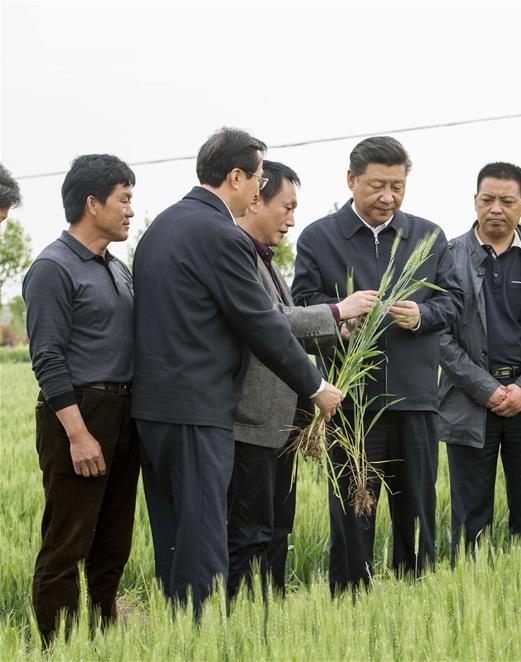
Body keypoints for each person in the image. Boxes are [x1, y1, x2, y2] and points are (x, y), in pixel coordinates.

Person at [132, 128, 342, 616]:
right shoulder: (222, 235)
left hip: (152, 411)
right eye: (258, 179)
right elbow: (262, 324)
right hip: (199, 412)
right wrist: (316, 386)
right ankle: (205, 641)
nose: (257, 191)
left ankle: (177, 634)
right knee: (205, 546)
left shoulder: (160, 228)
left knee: (174, 541)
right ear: (235, 176)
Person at [292, 136, 463, 594]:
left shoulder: (428, 235)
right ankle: (349, 610)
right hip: (351, 406)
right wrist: (339, 320)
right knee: (352, 516)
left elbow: (455, 304)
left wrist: (422, 314)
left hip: (415, 399)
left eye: (397, 186)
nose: (388, 197)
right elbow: (300, 309)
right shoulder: (317, 237)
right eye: (376, 186)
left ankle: (415, 605)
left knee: (416, 516)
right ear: (351, 181)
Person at [227, 160, 377, 600]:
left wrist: (341, 332)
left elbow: (285, 334)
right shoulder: (237, 254)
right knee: (251, 533)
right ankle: (245, 619)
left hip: (280, 428)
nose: (292, 219)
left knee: (276, 529)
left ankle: (268, 614)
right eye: (286, 208)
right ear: (255, 199)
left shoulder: (266, 261)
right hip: (251, 423)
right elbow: (268, 322)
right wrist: (337, 311)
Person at [23, 154, 140, 644]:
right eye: (124, 199)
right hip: (78, 414)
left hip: (123, 412)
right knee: (68, 539)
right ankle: (57, 645)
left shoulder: (117, 268)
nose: (132, 210)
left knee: (113, 537)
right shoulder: (52, 268)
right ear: (92, 204)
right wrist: (77, 433)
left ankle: (101, 628)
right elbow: (47, 357)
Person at [439, 162, 521, 558]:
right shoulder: (449, 256)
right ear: (475, 201)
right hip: (469, 402)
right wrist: (486, 388)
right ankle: (471, 590)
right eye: (487, 199)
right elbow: (440, 334)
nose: (496, 208)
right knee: (470, 516)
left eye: (507, 201)